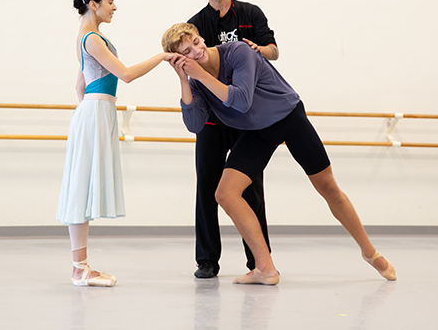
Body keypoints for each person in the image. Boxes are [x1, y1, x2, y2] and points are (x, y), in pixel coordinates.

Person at [161, 23, 397, 285]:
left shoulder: (238, 51)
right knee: (225, 193)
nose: (196, 51)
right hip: (257, 131)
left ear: (201, 37)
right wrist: (185, 80)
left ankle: (369, 252)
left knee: (328, 187)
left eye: (195, 42)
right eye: (187, 51)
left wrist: (201, 76)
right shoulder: (195, 82)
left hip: (288, 117)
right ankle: (265, 268)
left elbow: (241, 101)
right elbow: (194, 125)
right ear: (179, 60)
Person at [56, 0, 174, 287]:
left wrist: (92, 111)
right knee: (82, 186)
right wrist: (162, 57)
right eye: (110, 1)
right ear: (93, 5)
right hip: (95, 113)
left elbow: (79, 85)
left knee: (84, 185)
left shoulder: (88, 36)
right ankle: (79, 268)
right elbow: (125, 74)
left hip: (95, 113)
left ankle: (80, 266)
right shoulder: (92, 38)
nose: (114, 6)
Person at [186, 0, 279, 279]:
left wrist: (258, 50)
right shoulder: (194, 25)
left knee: (251, 189)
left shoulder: (251, 13)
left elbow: (274, 51)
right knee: (207, 188)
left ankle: (258, 261)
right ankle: (207, 260)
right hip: (213, 117)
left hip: (247, 116)